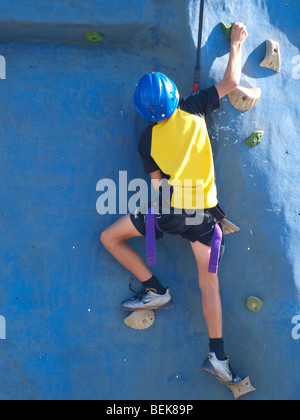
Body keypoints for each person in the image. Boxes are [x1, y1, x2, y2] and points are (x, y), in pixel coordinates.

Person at [101, 23, 248, 385]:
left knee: (109, 237)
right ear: (174, 95)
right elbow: (231, 80)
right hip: (204, 222)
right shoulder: (196, 107)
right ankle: (219, 357)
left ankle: (156, 289)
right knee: (208, 283)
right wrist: (236, 43)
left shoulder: (146, 140)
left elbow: (157, 187)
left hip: (167, 215)